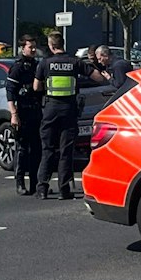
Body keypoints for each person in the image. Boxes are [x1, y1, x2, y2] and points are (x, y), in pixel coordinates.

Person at [35, 31, 87, 199]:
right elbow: (97, 77)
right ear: (63, 44)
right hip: (69, 110)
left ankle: (42, 189)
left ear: (51, 46)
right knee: (66, 151)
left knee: (47, 150)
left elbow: (36, 87)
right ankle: (64, 190)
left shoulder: (45, 63)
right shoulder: (74, 62)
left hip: (50, 110)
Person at [4, 33, 42, 196]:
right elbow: (10, 92)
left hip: (36, 111)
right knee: (22, 149)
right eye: (30, 47)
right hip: (23, 112)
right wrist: (14, 114)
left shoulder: (37, 65)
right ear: (22, 48)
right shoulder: (18, 67)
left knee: (36, 149)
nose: (33, 50)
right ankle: (20, 182)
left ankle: (35, 183)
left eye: (34, 47)